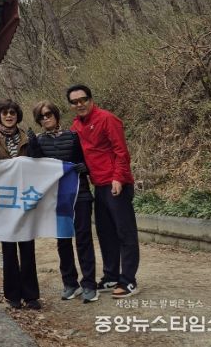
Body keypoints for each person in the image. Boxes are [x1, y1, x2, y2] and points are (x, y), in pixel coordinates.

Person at [67, 84, 140, 299]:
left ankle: (129, 280)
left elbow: (121, 151)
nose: (79, 104)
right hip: (98, 185)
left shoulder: (107, 119)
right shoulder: (76, 127)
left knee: (125, 232)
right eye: (74, 102)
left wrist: (118, 177)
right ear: (71, 105)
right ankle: (111, 276)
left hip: (116, 183)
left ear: (90, 100)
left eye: (83, 99)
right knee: (105, 233)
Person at [28, 100, 98, 303]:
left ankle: (89, 284)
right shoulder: (39, 140)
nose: (46, 118)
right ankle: (70, 283)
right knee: (63, 240)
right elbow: (37, 168)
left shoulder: (74, 136)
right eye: (41, 116)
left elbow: (87, 158)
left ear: (56, 115)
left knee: (84, 238)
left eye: (48, 114)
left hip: (80, 194)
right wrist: (33, 145)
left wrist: (85, 167)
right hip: (56, 198)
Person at [0, 99, 41, 310]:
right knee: (8, 246)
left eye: (12, 112)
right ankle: (12, 294)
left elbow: (36, 162)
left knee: (27, 244)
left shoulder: (26, 136)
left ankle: (31, 295)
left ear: (17, 115)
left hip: (25, 195)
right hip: (3, 196)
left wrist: (35, 145)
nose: (8, 116)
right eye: (4, 113)